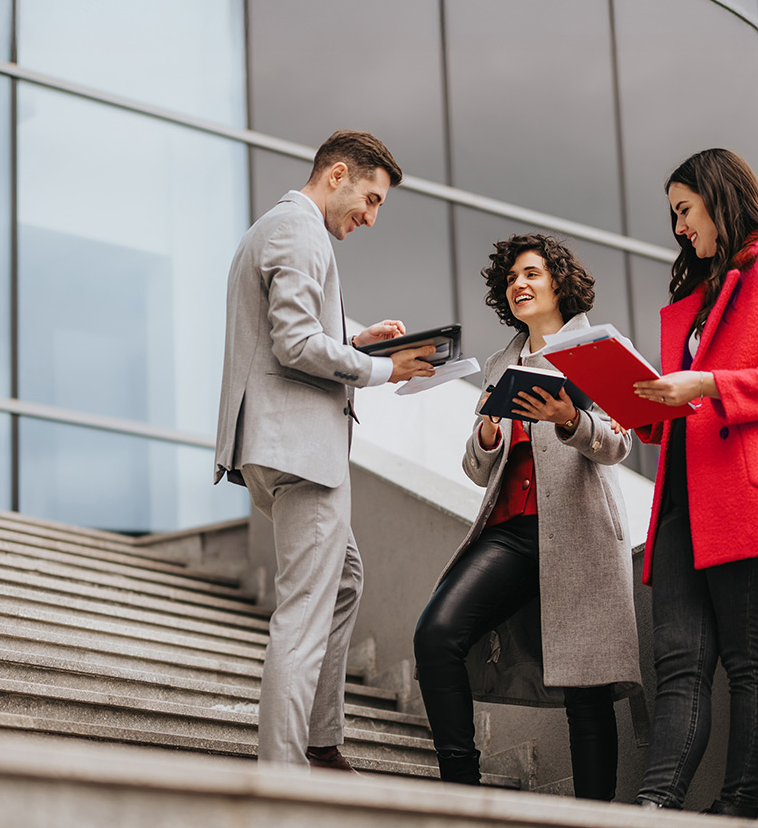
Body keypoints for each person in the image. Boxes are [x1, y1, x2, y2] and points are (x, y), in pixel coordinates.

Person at [214, 130, 437, 771]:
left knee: (343, 582)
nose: (369, 217)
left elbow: (298, 330)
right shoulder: (299, 229)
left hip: (281, 444)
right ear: (336, 175)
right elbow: (293, 344)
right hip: (299, 448)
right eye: (369, 200)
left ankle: (321, 739)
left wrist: (357, 339)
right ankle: (286, 774)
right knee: (305, 610)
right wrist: (383, 370)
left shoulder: (280, 229)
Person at [628, 148, 758, 817]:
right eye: (674, 217)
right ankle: (654, 806)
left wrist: (706, 383)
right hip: (685, 501)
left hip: (749, 496)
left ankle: (737, 810)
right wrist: (649, 412)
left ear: (720, 195)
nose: (680, 228)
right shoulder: (706, 293)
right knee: (679, 668)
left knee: (752, 661)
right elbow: (692, 405)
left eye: (685, 210)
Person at [413, 233, 641, 797]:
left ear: (558, 282)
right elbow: (477, 467)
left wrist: (570, 419)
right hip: (511, 533)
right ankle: (461, 792)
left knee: (586, 692)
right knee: (436, 634)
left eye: (532, 273)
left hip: (582, 533)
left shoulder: (598, 348)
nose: (519, 284)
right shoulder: (499, 364)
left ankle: (593, 816)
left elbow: (619, 445)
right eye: (512, 277)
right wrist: (487, 434)